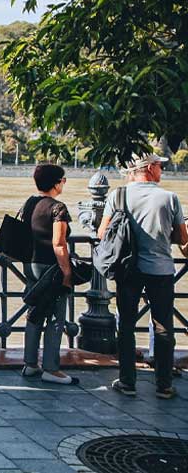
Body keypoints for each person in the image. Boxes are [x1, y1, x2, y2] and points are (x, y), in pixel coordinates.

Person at [99, 153, 187, 400]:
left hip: (128, 270)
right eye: (160, 166)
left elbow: (103, 232)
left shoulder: (118, 195)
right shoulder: (170, 198)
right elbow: (182, 237)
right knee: (163, 326)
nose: (162, 170)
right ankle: (164, 384)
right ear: (149, 168)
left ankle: (127, 381)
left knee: (126, 325)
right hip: (161, 270)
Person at [21, 164, 79, 385]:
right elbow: (59, 243)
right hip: (51, 267)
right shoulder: (58, 208)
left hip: (31, 265)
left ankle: (30, 364)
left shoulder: (30, 203)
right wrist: (67, 271)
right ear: (56, 183)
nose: (64, 183)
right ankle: (51, 368)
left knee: (34, 312)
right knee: (55, 316)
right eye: (63, 180)